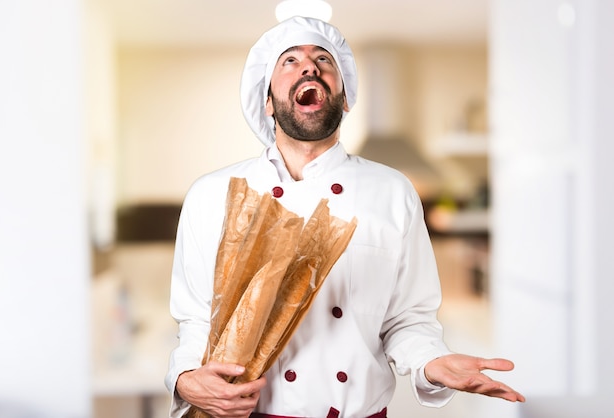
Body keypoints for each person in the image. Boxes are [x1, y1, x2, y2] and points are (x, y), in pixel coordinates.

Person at [165, 16, 525, 418]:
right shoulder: (212, 194)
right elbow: (195, 321)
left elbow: (409, 320)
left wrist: (432, 363)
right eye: (290, 61)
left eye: (324, 59)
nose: (309, 66)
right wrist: (184, 377)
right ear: (267, 100)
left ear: (345, 97)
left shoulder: (392, 192)